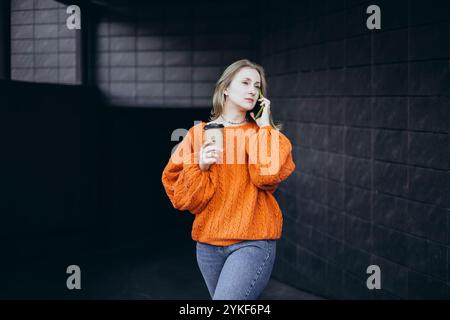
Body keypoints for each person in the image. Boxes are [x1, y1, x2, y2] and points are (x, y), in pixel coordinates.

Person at [161, 59, 296, 300]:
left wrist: (265, 126)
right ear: (225, 88)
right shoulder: (198, 134)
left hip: (252, 242)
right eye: (245, 82)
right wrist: (198, 165)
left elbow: (266, 176)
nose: (253, 90)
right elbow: (182, 196)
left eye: (257, 86)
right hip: (208, 245)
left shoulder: (264, 135)